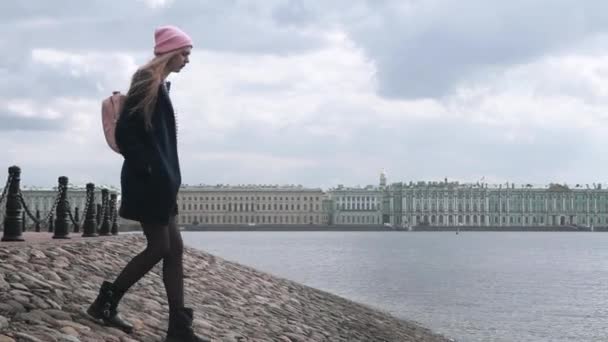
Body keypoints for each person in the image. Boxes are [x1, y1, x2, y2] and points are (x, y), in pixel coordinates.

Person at [87, 25, 209, 342]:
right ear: (169, 52)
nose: (187, 59)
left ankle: (179, 329)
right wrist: (153, 169)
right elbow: (128, 136)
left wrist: (164, 174)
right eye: (184, 52)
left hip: (161, 183)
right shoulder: (146, 80)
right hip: (149, 183)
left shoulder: (159, 84)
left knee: (174, 250)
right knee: (159, 247)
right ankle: (105, 303)